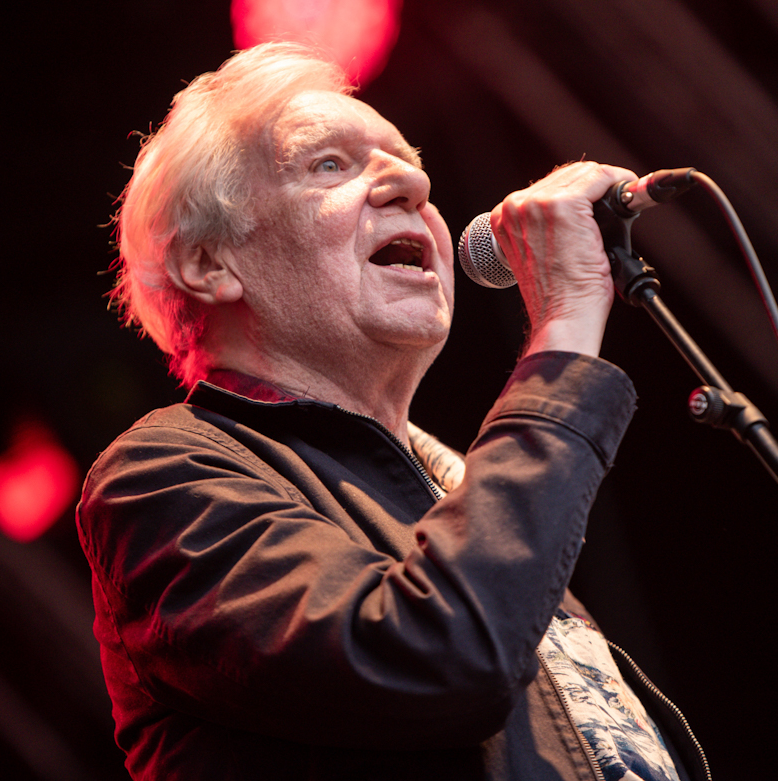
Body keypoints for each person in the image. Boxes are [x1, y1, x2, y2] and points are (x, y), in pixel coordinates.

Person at [76, 42, 709, 781]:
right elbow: (435, 656)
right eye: (329, 165)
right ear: (210, 264)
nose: (412, 180)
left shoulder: (457, 490)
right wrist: (565, 326)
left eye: (408, 162)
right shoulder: (161, 476)